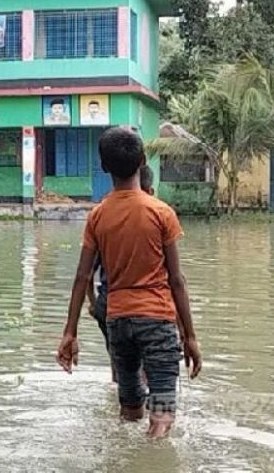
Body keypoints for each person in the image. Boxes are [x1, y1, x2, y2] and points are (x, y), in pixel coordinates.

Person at [56, 127, 202, 438]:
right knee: (162, 415)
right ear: (143, 160)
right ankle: (152, 457)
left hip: (119, 324)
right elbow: (177, 280)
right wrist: (189, 336)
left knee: (130, 408)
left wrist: (70, 332)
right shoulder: (161, 212)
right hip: (158, 324)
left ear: (104, 167)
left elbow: (83, 276)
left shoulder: (97, 216)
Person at [87, 164, 157, 383]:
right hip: (147, 306)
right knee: (147, 368)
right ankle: (140, 409)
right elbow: (174, 278)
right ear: (151, 191)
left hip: (110, 305)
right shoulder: (158, 218)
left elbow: (85, 273)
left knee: (119, 365)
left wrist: (92, 303)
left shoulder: (103, 216)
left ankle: (122, 405)